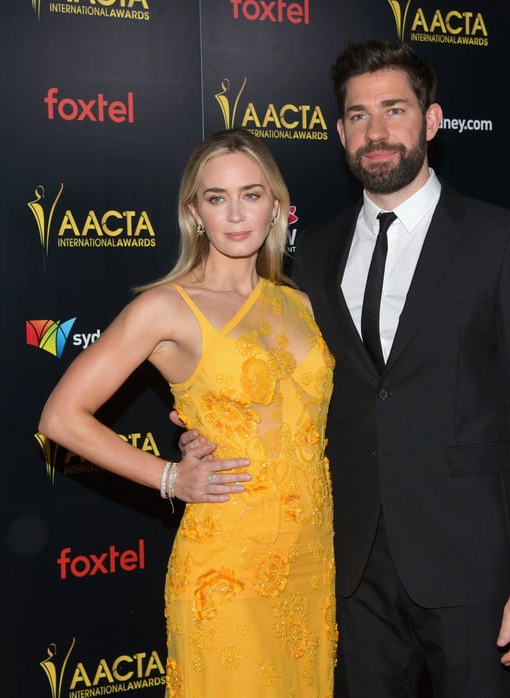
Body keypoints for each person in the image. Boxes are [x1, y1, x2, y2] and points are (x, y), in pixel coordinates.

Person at [181, 40, 510, 697]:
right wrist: (211, 433)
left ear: (432, 121)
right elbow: (285, 390)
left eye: (394, 109)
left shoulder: (502, 241)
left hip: (475, 566)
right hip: (347, 562)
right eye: (358, 116)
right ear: (339, 133)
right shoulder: (314, 254)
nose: (377, 131)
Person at [38, 129, 337, 697]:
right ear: (194, 212)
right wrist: (171, 476)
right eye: (216, 197)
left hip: (311, 556)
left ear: (276, 204)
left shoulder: (295, 302)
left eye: (251, 194)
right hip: (228, 566)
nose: (236, 213)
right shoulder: (167, 307)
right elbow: (61, 417)